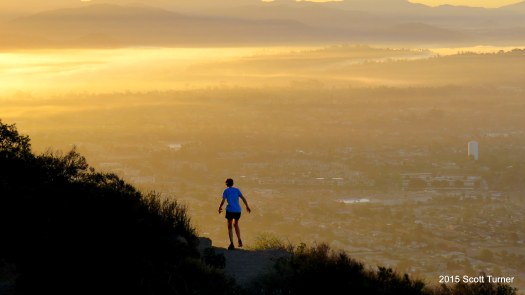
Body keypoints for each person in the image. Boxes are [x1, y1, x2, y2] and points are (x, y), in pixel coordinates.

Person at [218, 178, 251, 250]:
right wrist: (247, 206)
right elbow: (243, 198)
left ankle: (232, 243)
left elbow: (223, 200)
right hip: (238, 211)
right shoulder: (237, 190)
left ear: (226, 184)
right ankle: (239, 239)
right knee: (236, 224)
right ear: (232, 183)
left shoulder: (226, 191)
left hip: (230, 210)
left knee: (230, 226)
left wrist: (220, 207)